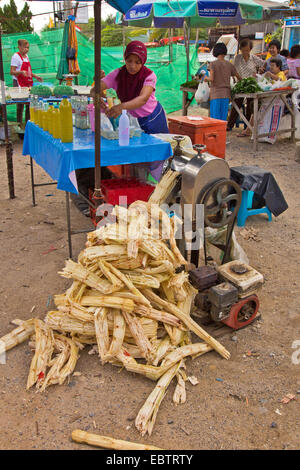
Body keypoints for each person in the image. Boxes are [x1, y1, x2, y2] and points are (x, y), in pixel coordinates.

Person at [100, 40, 169, 181]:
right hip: (133, 121)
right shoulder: (117, 74)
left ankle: (161, 187)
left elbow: (143, 99)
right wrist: (98, 98)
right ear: (124, 58)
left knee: (157, 156)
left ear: (143, 62)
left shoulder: (149, 75)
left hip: (154, 118)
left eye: (137, 62)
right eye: (129, 60)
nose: (132, 65)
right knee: (138, 155)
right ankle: (142, 186)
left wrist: (121, 106)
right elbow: (96, 88)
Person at [227, 38, 265, 135]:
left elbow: (264, 64)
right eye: (243, 50)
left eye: (247, 50)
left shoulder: (253, 58)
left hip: (251, 84)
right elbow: (234, 71)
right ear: (240, 49)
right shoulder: (238, 58)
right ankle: (229, 125)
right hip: (241, 84)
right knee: (237, 103)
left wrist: (260, 70)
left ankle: (247, 127)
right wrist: (240, 79)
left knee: (250, 105)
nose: (245, 52)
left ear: (250, 49)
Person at [204, 42, 241, 121]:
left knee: (215, 119)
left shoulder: (213, 64)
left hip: (216, 94)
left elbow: (211, 79)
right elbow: (239, 77)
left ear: (215, 51)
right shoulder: (229, 65)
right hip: (226, 95)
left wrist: (205, 78)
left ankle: (216, 133)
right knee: (223, 119)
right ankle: (223, 133)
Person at [10, 39, 42, 126]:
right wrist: (20, 72)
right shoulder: (16, 57)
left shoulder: (27, 57)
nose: (27, 49)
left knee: (29, 103)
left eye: (28, 48)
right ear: (19, 47)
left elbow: (28, 71)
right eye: (25, 47)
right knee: (20, 105)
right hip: (18, 83)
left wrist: (35, 76)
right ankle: (19, 125)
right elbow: (12, 71)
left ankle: (28, 123)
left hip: (27, 83)